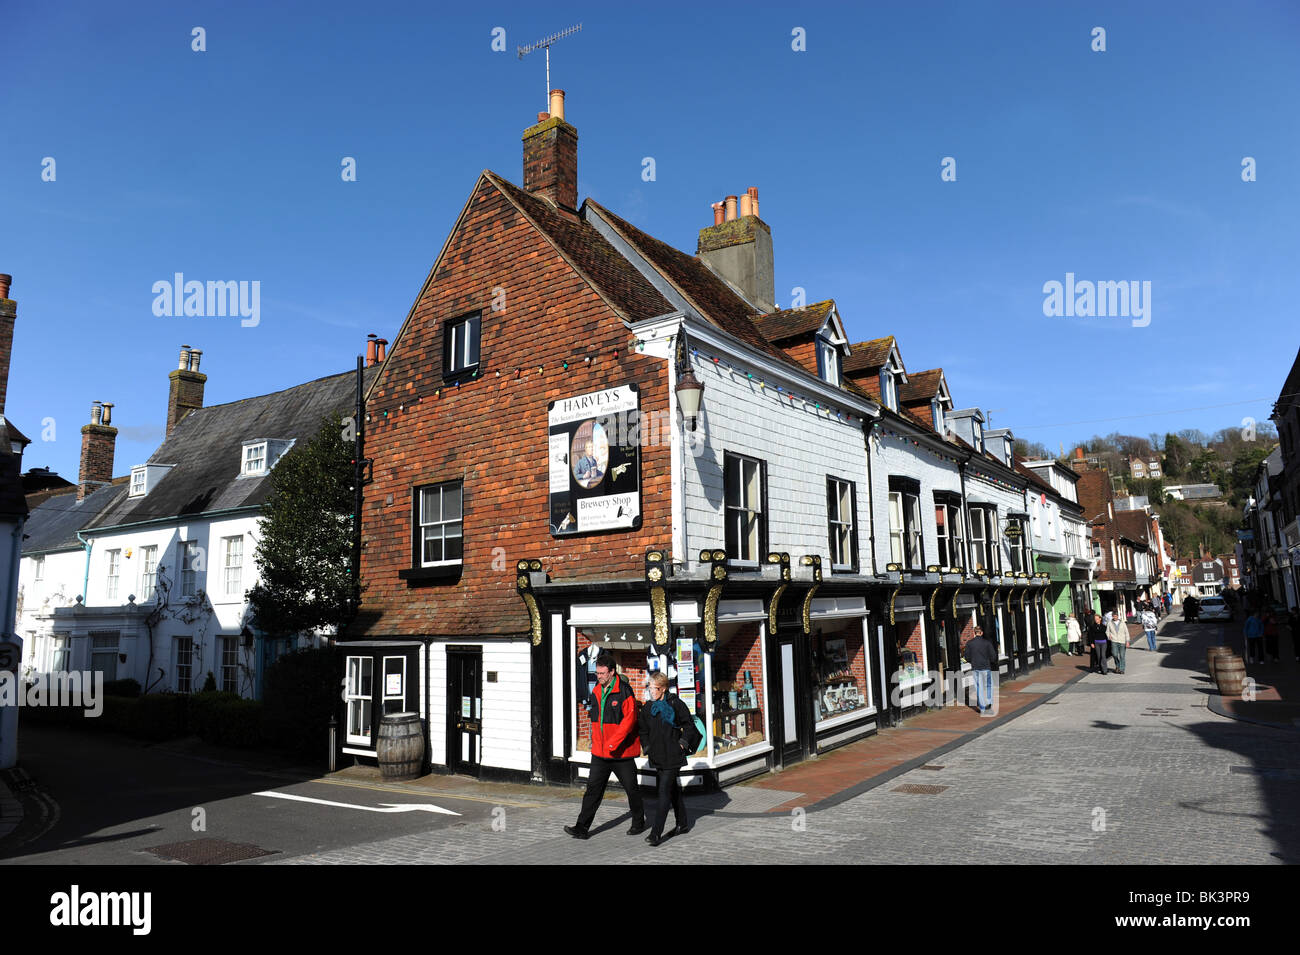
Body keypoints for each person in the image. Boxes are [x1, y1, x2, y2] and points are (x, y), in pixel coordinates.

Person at [565, 652, 646, 839]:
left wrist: (612, 744)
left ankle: (639, 823)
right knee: (593, 791)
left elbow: (629, 722)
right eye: (597, 674)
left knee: (631, 789)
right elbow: (596, 721)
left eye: (602, 673)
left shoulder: (625, 691)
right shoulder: (596, 691)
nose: (598, 677)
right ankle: (581, 828)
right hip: (600, 753)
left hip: (621, 753)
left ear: (611, 672)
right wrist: (596, 742)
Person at [637, 672, 702, 846]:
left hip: (673, 755)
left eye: (655, 688)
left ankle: (656, 833)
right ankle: (683, 823)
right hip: (657, 755)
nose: (651, 691)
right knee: (672, 789)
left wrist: (682, 743)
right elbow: (642, 729)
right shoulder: (648, 707)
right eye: (650, 688)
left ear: (664, 688)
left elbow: (689, 725)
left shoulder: (676, 704)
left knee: (663, 791)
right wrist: (647, 747)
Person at [962, 625, 998, 714]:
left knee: (979, 687)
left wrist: (973, 662)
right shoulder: (987, 643)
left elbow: (967, 657)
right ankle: (989, 702)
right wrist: (990, 662)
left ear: (974, 633)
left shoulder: (969, 643)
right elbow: (993, 656)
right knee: (988, 686)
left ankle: (982, 708)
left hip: (976, 668)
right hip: (986, 667)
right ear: (981, 632)